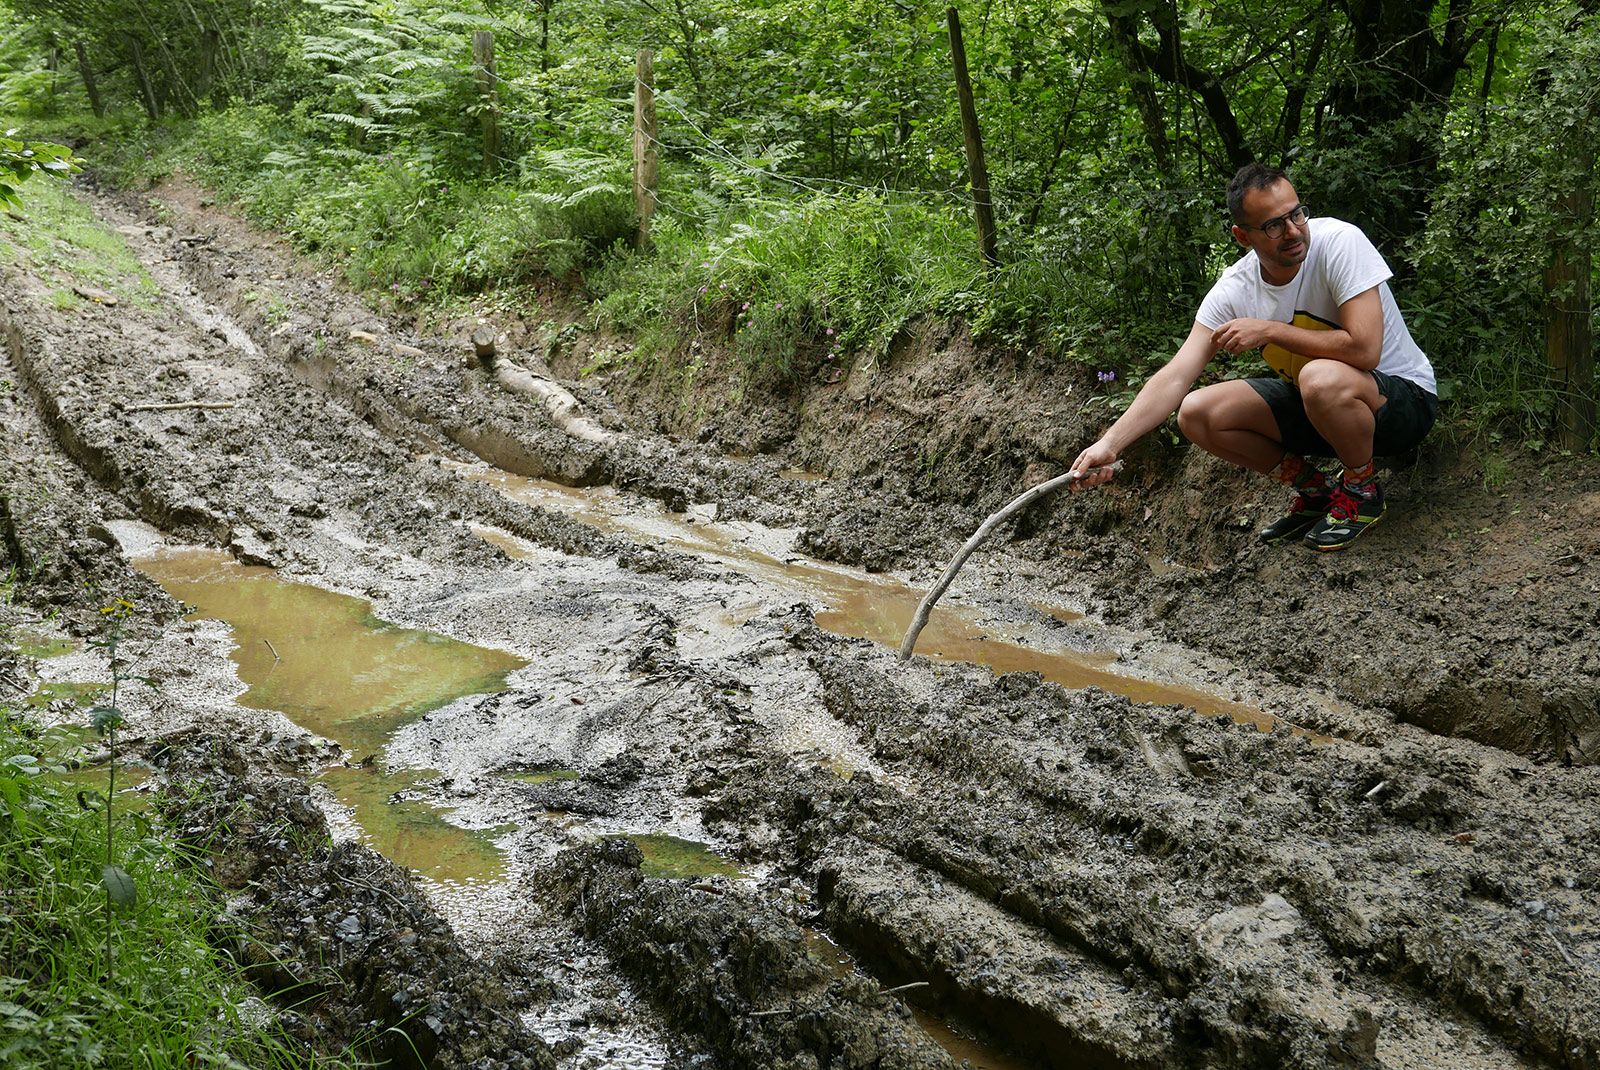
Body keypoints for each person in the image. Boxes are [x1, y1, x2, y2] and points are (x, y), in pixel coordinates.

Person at [1069, 162, 1439, 552]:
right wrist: (1110, 444)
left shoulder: (1339, 243)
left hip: (1401, 404)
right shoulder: (1236, 289)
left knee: (1318, 378)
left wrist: (1269, 330)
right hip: (1324, 407)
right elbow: (1176, 376)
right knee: (1197, 412)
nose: (1294, 231)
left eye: (1296, 214)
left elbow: (1366, 349)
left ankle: (1361, 491)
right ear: (1242, 235)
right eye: (1274, 225)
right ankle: (1317, 492)